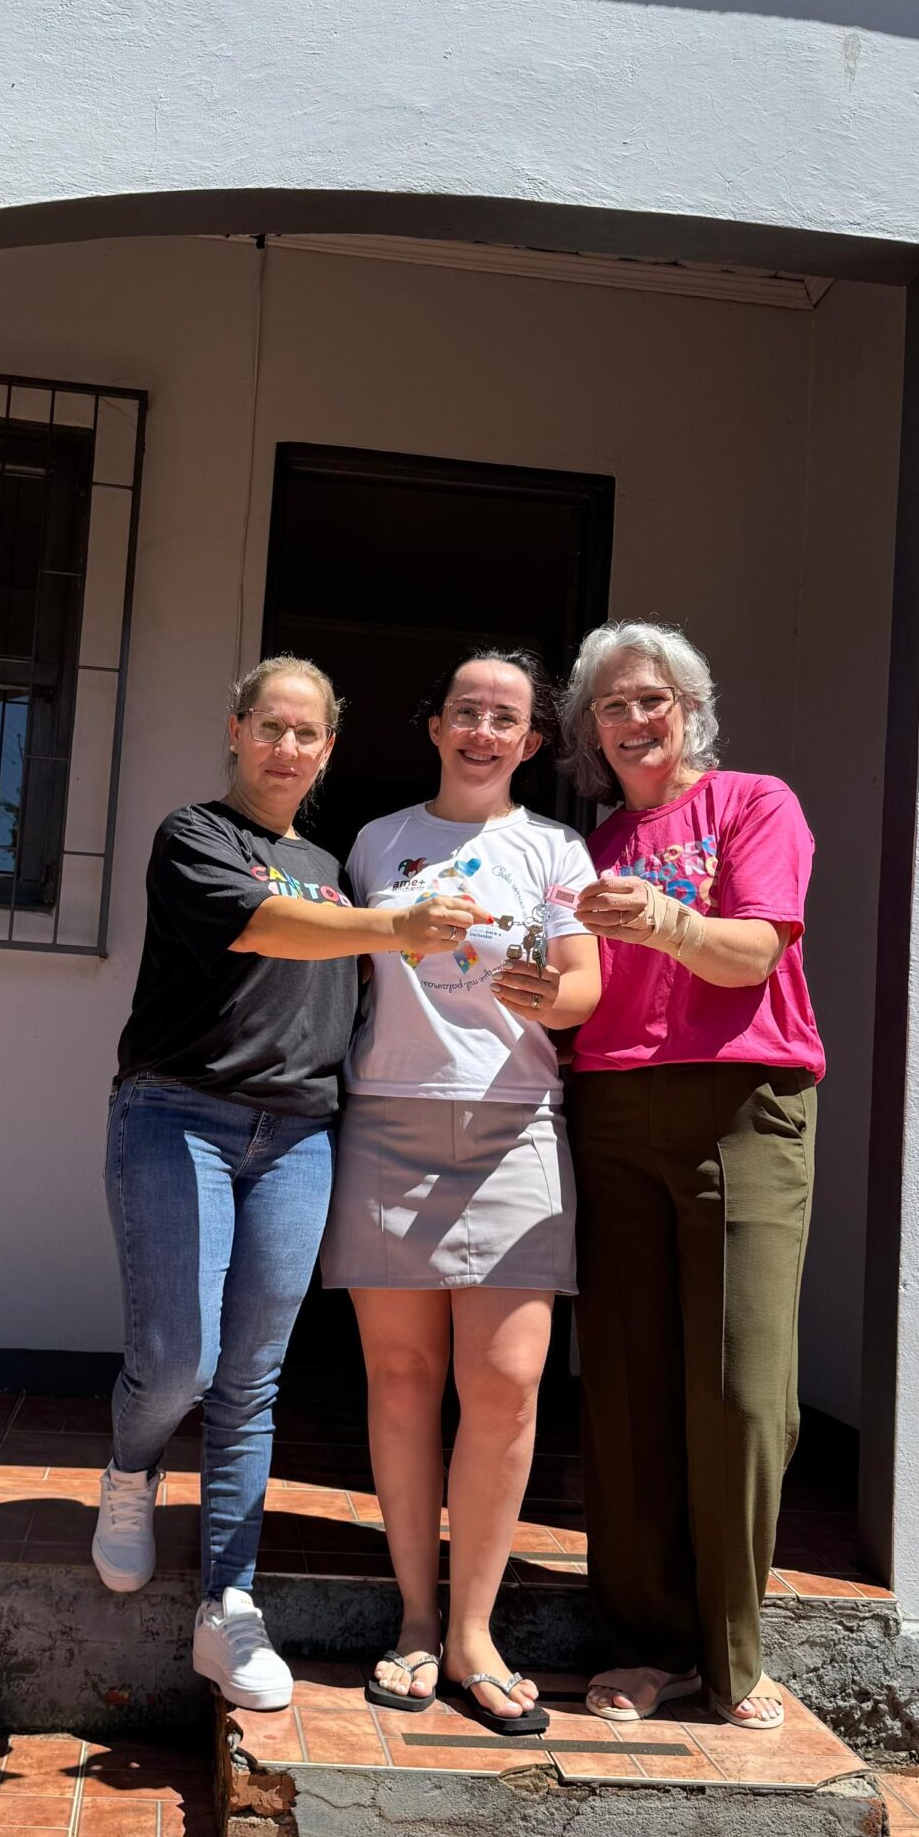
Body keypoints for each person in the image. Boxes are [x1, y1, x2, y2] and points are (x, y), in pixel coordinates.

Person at [94, 654, 485, 1710]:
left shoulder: (331, 864)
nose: (287, 747)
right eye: (271, 725)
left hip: (299, 1136)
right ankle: (131, 1469)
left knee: (251, 1378)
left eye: (308, 733)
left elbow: (376, 987)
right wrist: (395, 925)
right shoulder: (194, 835)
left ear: (328, 750)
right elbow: (263, 926)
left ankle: (229, 1603)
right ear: (236, 730)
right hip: (179, 1114)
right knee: (178, 1360)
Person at [321, 649, 601, 1732]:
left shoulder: (554, 847)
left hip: (514, 1124)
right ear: (434, 725)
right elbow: (344, 967)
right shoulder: (375, 842)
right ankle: (416, 1619)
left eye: (505, 718)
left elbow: (583, 990)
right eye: (466, 711)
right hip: (388, 1120)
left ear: (531, 742)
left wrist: (545, 995)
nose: (483, 731)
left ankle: (476, 1631)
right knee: (400, 1379)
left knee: (508, 1384)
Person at [561, 619, 825, 1732]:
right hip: (613, 1107)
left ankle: (732, 1653)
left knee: (743, 1389)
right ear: (591, 729)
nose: (634, 720)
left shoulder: (754, 803)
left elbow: (755, 950)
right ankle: (647, 1644)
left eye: (653, 699)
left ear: (692, 708)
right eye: (613, 705)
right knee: (626, 1384)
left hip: (743, 1106)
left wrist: (671, 920)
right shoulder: (589, 846)